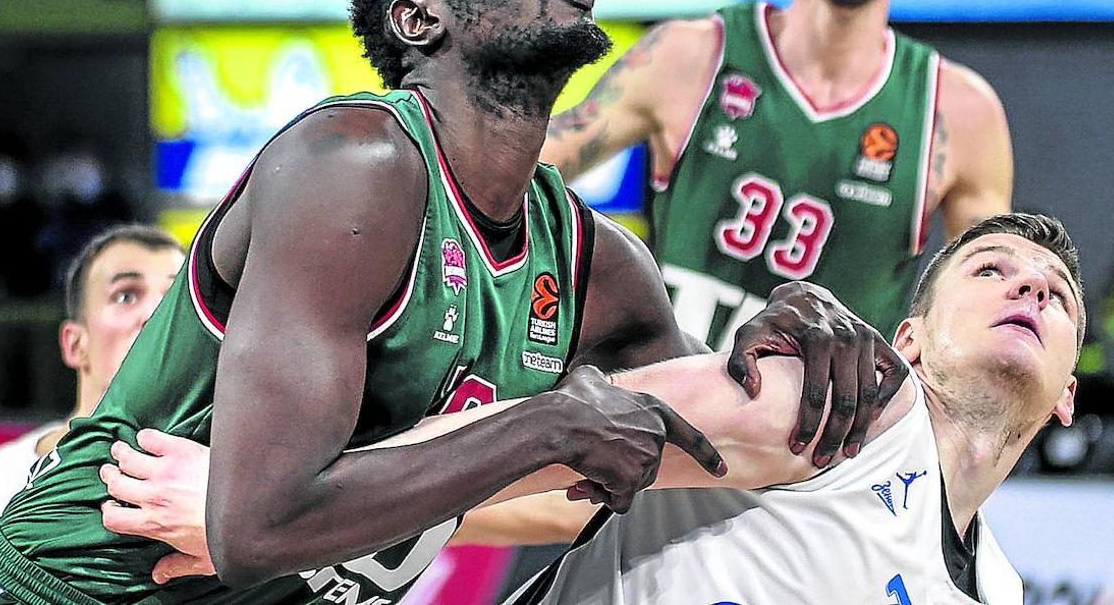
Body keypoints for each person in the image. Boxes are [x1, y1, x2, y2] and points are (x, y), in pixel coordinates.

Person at [0, 0, 902, 605]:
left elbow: (707, 456)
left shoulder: (601, 267)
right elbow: (260, 520)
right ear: (421, 16)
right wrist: (548, 422)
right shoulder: (353, 163)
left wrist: (798, 330)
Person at [447, 0, 1018, 549]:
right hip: (656, 441)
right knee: (423, 500)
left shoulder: (956, 114)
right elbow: (507, 168)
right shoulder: (691, 57)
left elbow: (982, 328)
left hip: (809, 483)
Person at [382, 213, 1081, 604]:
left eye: (1058, 293)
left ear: (1068, 395)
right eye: (992, 269)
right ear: (910, 341)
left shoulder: (998, 589)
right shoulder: (847, 403)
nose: (1030, 288)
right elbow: (525, 443)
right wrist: (315, 495)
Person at [0, 225, 184, 605]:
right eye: (126, 295)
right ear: (75, 344)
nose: (154, 315)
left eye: (172, 299)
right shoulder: (5, 479)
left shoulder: (217, 469)